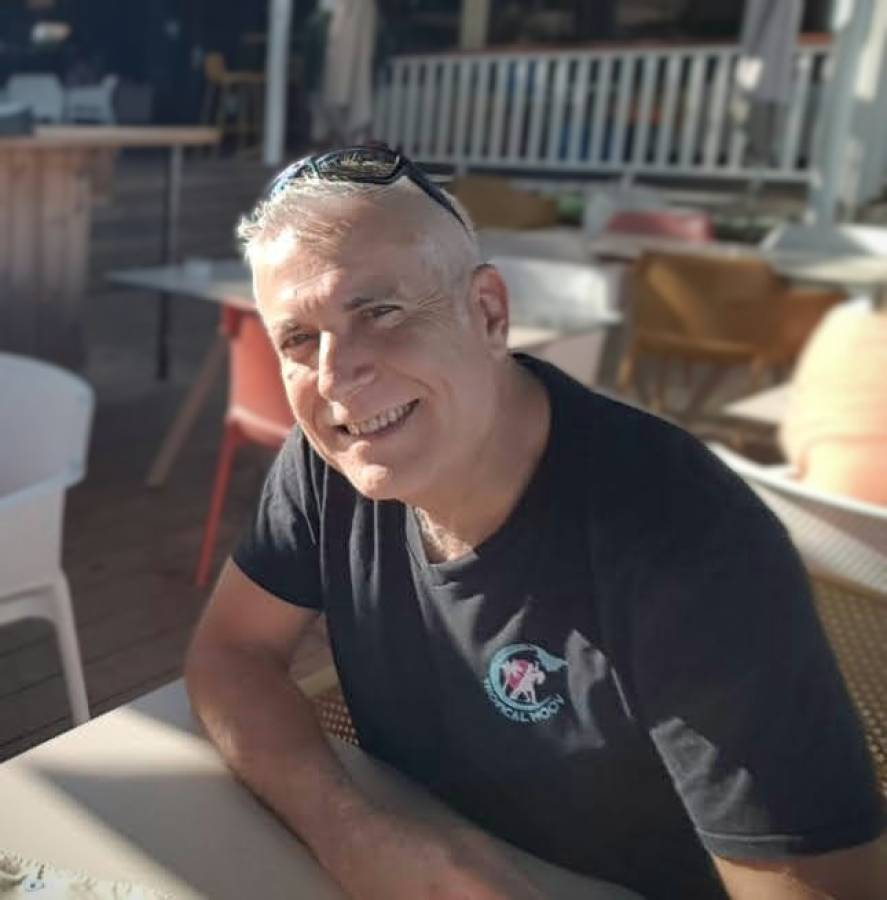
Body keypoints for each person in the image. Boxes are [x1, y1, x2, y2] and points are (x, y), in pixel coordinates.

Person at [184, 146, 886, 900]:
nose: (335, 378)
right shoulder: (332, 459)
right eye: (297, 338)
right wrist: (352, 835)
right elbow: (229, 652)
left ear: (488, 313)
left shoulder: (689, 542)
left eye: (380, 311)